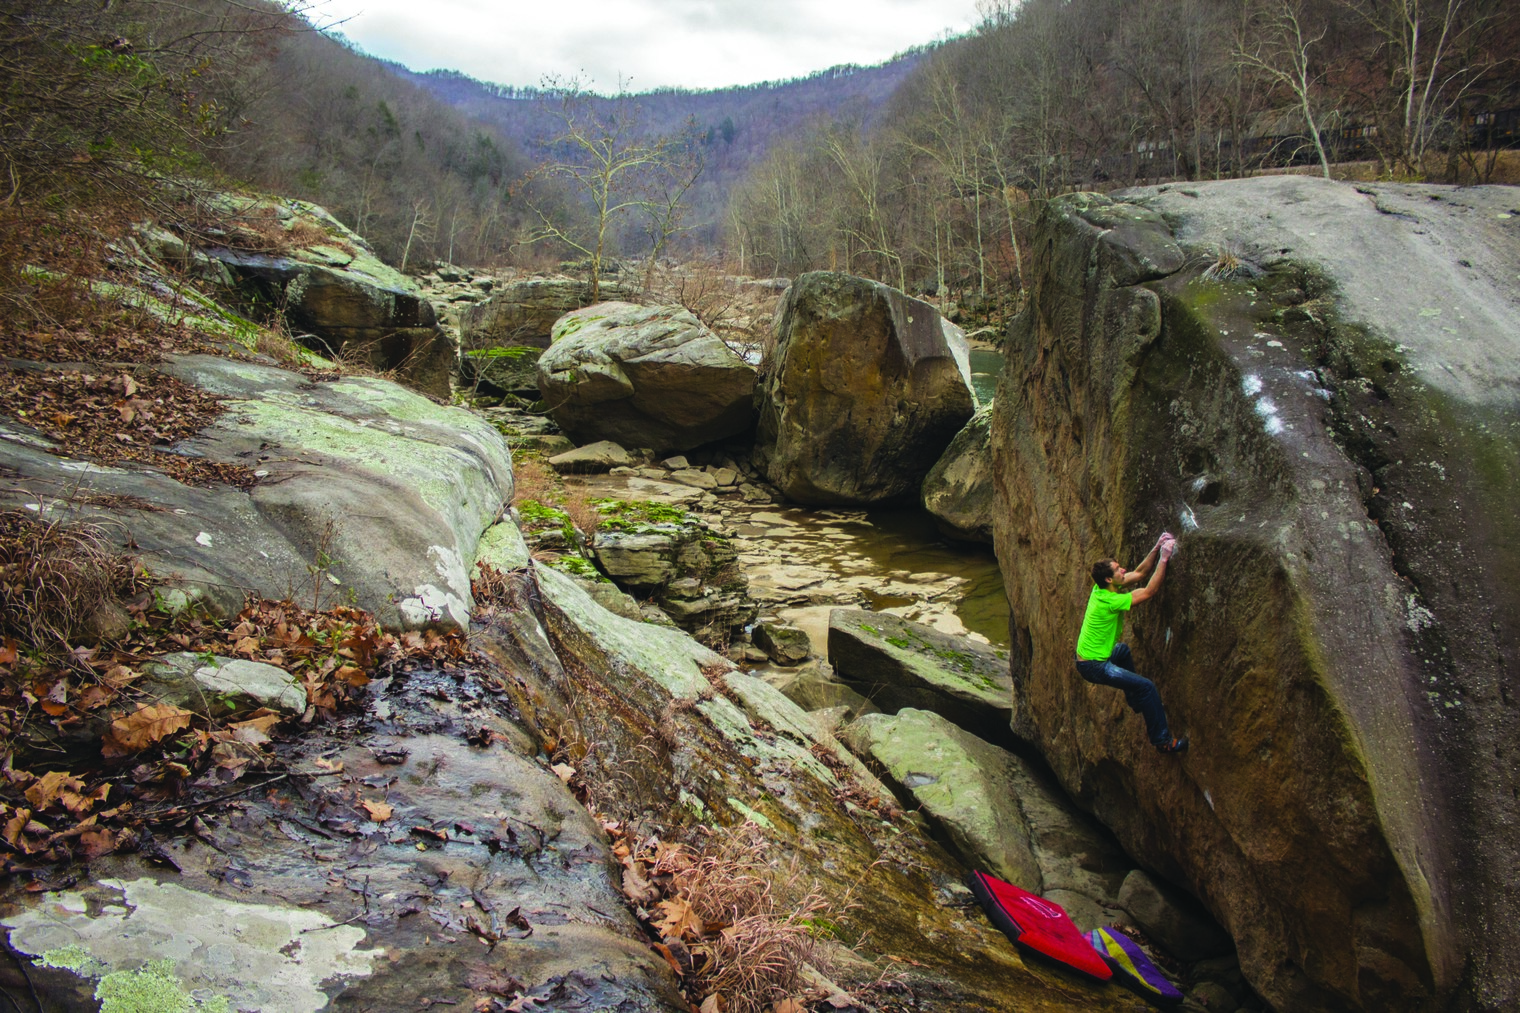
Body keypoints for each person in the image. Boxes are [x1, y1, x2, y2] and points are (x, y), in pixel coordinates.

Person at [1075, 532, 1188, 754]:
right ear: (1109, 579)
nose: (1123, 570)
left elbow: (1140, 573)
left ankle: (1135, 701)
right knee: (1147, 687)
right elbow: (1149, 591)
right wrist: (1164, 559)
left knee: (1123, 651)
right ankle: (1163, 742)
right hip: (1093, 665)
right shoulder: (1110, 601)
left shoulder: (1101, 587)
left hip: (1093, 656)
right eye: (1118, 570)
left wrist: (1157, 547)